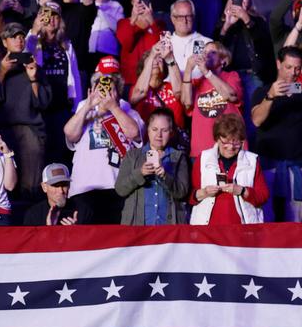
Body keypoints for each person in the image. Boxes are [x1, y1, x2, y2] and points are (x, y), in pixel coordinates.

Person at [64, 60, 142, 223]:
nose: (105, 92)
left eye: (110, 87)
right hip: (84, 190)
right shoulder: (84, 108)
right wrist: (89, 106)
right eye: (101, 87)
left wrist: (114, 108)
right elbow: (70, 134)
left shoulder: (128, 111)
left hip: (118, 188)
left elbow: (134, 133)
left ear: (118, 90)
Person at [0, 21, 52, 199]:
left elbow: (43, 103)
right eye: (13, 37)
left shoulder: (34, 67)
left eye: (21, 37)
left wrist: (33, 78)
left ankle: (31, 219)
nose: (19, 40)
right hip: (2, 130)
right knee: (4, 181)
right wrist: (3, 72)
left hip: (30, 129)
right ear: (4, 42)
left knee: (31, 183)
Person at [251, 44, 302, 221]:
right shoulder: (262, 92)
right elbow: (256, 120)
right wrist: (271, 96)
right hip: (267, 166)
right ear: (278, 64)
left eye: (297, 68)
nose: (293, 73)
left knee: (295, 220)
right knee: (265, 218)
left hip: (296, 166)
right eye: (288, 67)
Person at [25, 2, 81, 162]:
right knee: (43, 153)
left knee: (62, 151)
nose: (50, 19)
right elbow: (24, 54)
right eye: (46, 14)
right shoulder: (34, 40)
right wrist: (35, 30)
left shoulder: (67, 45)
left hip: (62, 105)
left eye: (55, 15)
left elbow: (75, 76)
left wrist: (77, 106)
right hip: (42, 107)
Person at [190, 114, 269, 224]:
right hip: (208, 229)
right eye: (226, 142)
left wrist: (242, 191)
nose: (231, 147)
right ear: (217, 139)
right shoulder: (203, 159)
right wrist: (205, 192)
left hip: (242, 229)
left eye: (236, 142)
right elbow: (191, 195)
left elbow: (263, 196)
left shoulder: (252, 160)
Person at [115, 106, 189, 224]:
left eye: (164, 130)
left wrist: (166, 176)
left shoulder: (178, 157)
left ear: (171, 132)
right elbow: (120, 189)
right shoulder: (133, 156)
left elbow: (182, 192)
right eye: (154, 129)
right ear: (148, 130)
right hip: (139, 228)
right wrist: (140, 173)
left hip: (168, 229)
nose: (159, 135)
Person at [181, 40, 243, 161]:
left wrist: (206, 72)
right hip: (202, 150)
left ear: (223, 60)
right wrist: (188, 69)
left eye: (212, 52)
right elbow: (186, 102)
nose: (207, 55)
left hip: (229, 148)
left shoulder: (231, 76)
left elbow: (230, 95)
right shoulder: (197, 82)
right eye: (204, 52)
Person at [129, 39, 186, 133]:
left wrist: (169, 57)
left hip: (174, 140)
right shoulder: (135, 89)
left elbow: (180, 93)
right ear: (143, 68)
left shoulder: (172, 87)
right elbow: (140, 91)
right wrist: (152, 54)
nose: (155, 61)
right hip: (147, 142)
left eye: (159, 59)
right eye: (151, 60)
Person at [117, 0, 167, 88]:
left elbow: (162, 47)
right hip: (130, 80)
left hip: (153, 79)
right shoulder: (123, 23)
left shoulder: (159, 24)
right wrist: (133, 21)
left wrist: (151, 22)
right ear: (131, 1)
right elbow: (127, 45)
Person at [23, 160, 93, 223]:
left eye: (64, 185)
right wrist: (49, 229)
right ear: (44, 187)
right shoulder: (34, 214)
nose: (61, 191)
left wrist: (75, 232)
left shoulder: (82, 210)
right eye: (55, 185)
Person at [88, 0, 123, 73]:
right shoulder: (85, 4)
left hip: (109, 53)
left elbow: (119, 29)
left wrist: (101, 11)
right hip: (89, 53)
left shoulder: (116, 6)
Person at [167, 0, 210, 75]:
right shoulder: (166, 44)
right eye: (180, 17)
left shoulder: (206, 43)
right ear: (173, 19)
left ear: (193, 17)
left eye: (188, 16)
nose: (185, 20)